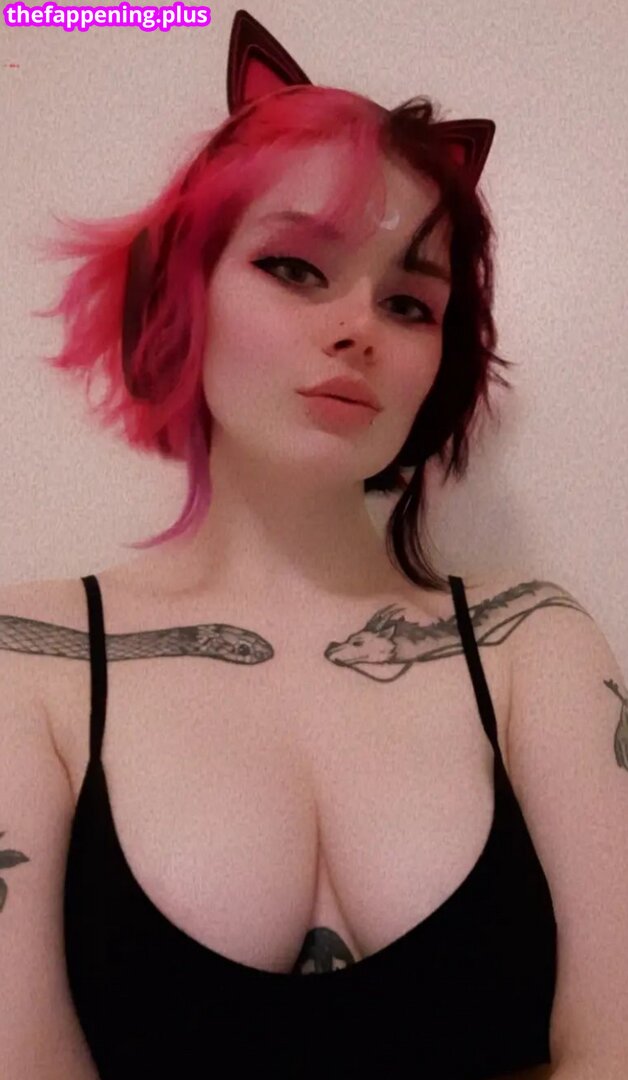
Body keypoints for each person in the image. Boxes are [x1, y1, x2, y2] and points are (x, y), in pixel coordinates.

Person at [4, 9, 626, 1080]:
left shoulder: (533, 643)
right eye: (295, 267)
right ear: (183, 289)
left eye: (411, 302)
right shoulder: (32, 659)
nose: (358, 328)